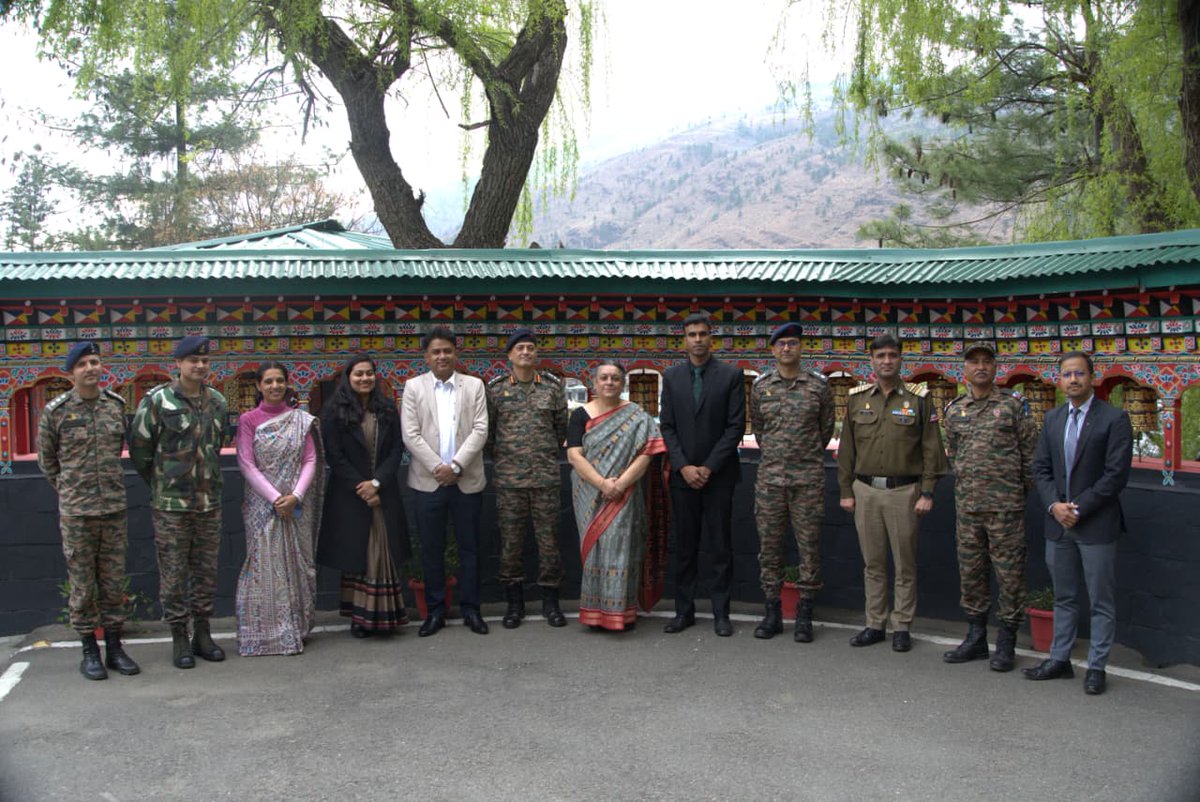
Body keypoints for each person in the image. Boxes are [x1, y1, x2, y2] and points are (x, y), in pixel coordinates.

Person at [1026, 351, 1132, 695]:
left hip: (1096, 525)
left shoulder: (1114, 419)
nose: (1073, 380)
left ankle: (1097, 667)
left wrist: (1078, 507)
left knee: (1101, 600)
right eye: (1067, 374)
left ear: (1092, 378)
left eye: (1080, 374)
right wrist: (1055, 506)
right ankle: (1060, 660)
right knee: (1064, 597)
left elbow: (1115, 475)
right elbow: (1040, 469)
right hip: (1059, 524)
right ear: (1059, 380)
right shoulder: (1053, 419)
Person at [837, 334, 947, 653]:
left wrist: (927, 492)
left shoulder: (919, 398)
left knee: (904, 563)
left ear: (901, 359)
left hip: (904, 491)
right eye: (881, 355)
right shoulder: (857, 398)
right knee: (872, 563)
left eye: (892, 355)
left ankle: (902, 626)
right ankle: (874, 623)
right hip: (865, 490)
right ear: (871, 360)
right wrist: (846, 489)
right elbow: (847, 449)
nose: (887, 360)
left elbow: (931, 449)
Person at [37, 340, 140, 681]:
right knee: (82, 585)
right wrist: (69, 491)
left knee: (112, 583)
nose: (91, 369)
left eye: (95, 362)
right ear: (72, 372)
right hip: (77, 513)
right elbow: (47, 462)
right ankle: (89, 651)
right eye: (83, 364)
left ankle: (114, 648)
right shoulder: (57, 411)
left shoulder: (115, 406)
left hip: (112, 509)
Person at [130, 335, 229, 669]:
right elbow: (141, 451)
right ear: (178, 363)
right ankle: (178, 637)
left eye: (204, 360)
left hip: (208, 503)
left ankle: (203, 633)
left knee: (206, 573)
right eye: (192, 360)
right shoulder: (157, 401)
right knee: (173, 574)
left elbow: (217, 445)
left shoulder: (217, 402)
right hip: (171, 506)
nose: (199, 366)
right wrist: (163, 482)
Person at [941, 343, 1037, 671]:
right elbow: (953, 453)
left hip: (1005, 508)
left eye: (987, 361)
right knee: (971, 574)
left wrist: (1014, 494)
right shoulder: (955, 410)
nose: (981, 367)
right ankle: (976, 637)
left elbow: (1030, 456)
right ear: (964, 370)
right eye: (974, 362)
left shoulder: (1013, 406)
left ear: (995, 368)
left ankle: (1007, 640)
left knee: (1010, 576)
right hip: (968, 508)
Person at [659, 311, 746, 637]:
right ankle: (684, 612)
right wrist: (683, 466)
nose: (697, 339)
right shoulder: (671, 377)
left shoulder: (730, 376)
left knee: (720, 546)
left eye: (702, 333)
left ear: (712, 338)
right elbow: (666, 425)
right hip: (683, 477)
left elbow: (735, 426)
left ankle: (721, 613)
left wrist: (708, 467)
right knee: (685, 547)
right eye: (691, 334)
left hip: (718, 476)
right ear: (684, 340)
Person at [749, 323, 835, 643]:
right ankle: (772, 612)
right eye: (781, 344)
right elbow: (759, 430)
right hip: (770, 480)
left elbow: (824, 430)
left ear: (801, 348)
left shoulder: (818, 387)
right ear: (773, 350)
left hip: (807, 481)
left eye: (793, 343)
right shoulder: (761, 387)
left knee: (809, 548)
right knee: (769, 549)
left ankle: (805, 613)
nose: (787, 348)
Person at [401, 327, 489, 636]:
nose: (442, 356)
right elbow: (410, 434)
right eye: (435, 351)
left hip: (467, 480)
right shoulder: (413, 387)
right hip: (428, 481)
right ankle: (435, 611)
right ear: (426, 356)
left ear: (456, 353)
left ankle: (472, 609)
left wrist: (455, 465)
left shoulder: (474, 386)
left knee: (470, 547)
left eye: (447, 351)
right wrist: (438, 467)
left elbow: (481, 429)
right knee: (431, 548)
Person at [566, 361, 666, 631]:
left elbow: (647, 453)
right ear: (594, 383)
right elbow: (574, 454)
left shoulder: (636, 415)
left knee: (622, 548)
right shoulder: (581, 415)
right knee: (594, 549)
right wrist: (602, 483)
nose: (609, 383)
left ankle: (621, 613)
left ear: (623, 384)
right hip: (588, 491)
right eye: (604, 378)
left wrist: (619, 484)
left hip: (625, 490)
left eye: (614, 378)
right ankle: (595, 614)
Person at [315, 354, 409, 637]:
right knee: (358, 553)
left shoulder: (388, 410)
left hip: (383, 493)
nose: (364, 378)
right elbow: (335, 455)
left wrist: (377, 483)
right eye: (358, 374)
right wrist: (362, 487)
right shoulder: (333, 412)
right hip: (350, 495)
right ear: (348, 377)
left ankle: (386, 615)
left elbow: (396, 450)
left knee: (382, 549)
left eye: (369, 374)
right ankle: (360, 617)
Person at [235, 362, 323, 655]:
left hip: (297, 505)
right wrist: (275, 498)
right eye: (268, 382)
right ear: (259, 386)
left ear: (287, 384)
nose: (274, 386)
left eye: (279, 381)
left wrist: (295, 495)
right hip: (263, 506)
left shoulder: (301, 420)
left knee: (300, 564)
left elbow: (310, 460)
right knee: (263, 565)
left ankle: (296, 628)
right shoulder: (248, 420)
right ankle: (266, 634)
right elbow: (246, 463)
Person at [486, 328, 569, 629]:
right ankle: (514, 604)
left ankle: (551, 603)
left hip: (545, 478)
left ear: (536, 355)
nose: (525, 353)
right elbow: (489, 434)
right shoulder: (495, 390)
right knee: (511, 545)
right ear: (509, 355)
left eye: (530, 348)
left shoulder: (552, 387)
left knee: (549, 544)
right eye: (519, 348)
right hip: (509, 481)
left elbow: (561, 428)